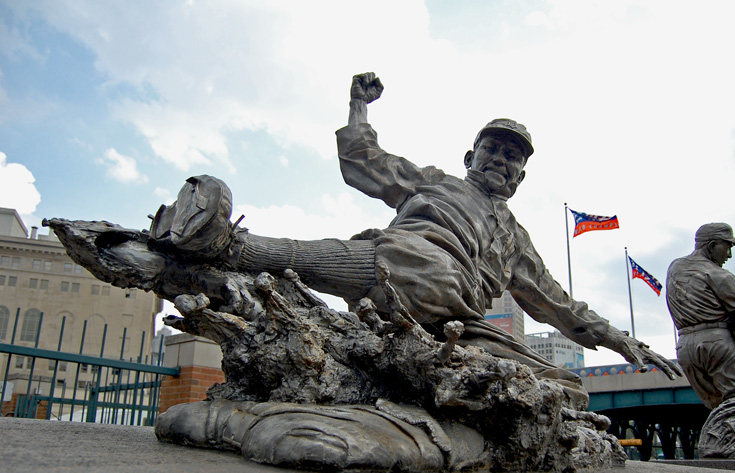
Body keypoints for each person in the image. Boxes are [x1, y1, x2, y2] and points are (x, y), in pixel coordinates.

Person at [158, 72, 681, 405]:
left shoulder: (517, 242)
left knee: (563, 389)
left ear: (521, 177)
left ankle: (232, 249)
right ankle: (227, 247)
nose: (501, 160)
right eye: (492, 150)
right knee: (392, 259)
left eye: (512, 157)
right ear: (469, 158)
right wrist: (357, 106)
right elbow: (365, 163)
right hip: (403, 265)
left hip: (456, 321)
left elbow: (560, 307)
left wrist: (621, 339)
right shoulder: (437, 182)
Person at [666, 222, 735, 458]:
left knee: (719, 406)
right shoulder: (719, 274)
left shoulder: (675, 267)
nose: (729, 254)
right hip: (717, 341)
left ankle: (718, 448)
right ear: (712, 246)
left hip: (685, 347)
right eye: (727, 247)